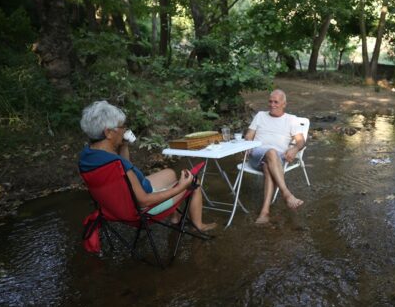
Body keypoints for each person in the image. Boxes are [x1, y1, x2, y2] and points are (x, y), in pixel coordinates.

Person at [78, 100, 216, 231]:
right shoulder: (116, 164)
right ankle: (199, 225)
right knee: (194, 182)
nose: (124, 130)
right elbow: (144, 201)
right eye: (121, 127)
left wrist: (124, 145)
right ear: (108, 132)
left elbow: (123, 170)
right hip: (142, 210)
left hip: (113, 208)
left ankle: (175, 219)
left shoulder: (88, 157)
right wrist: (181, 187)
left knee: (169, 173)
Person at [245, 89, 305, 224]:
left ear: (284, 104)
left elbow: (301, 141)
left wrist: (295, 149)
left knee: (268, 165)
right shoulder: (260, 115)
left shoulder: (291, 119)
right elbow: (249, 135)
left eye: (276, 102)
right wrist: (247, 143)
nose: (272, 104)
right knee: (271, 152)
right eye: (270, 101)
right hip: (257, 154)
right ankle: (286, 194)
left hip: (277, 160)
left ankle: (264, 212)